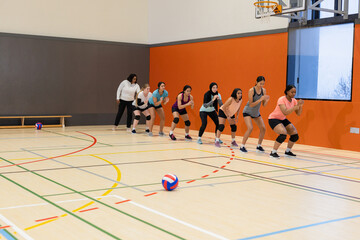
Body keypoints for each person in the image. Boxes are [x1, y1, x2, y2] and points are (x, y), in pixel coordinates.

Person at [268, 85, 304, 158]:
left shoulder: (294, 100)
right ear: (287, 92)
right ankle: (273, 152)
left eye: (295, 92)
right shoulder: (281, 99)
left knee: (295, 135)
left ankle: (288, 151)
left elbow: (298, 113)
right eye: (292, 92)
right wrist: (295, 107)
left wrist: (300, 106)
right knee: (283, 134)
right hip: (273, 118)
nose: (294, 94)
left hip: (282, 119)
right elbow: (285, 112)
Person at [240, 76, 270, 153]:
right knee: (250, 128)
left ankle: (259, 146)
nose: (261, 85)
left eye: (263, 84)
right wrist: (260, 99)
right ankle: (242, 146)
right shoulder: (251, 90)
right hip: (248, 111)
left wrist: (266, 100)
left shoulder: (264, 90)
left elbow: (264, 105)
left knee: (263, 128)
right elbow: (251, 104)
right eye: (260, 83)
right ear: (256, 82)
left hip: (256, 112)